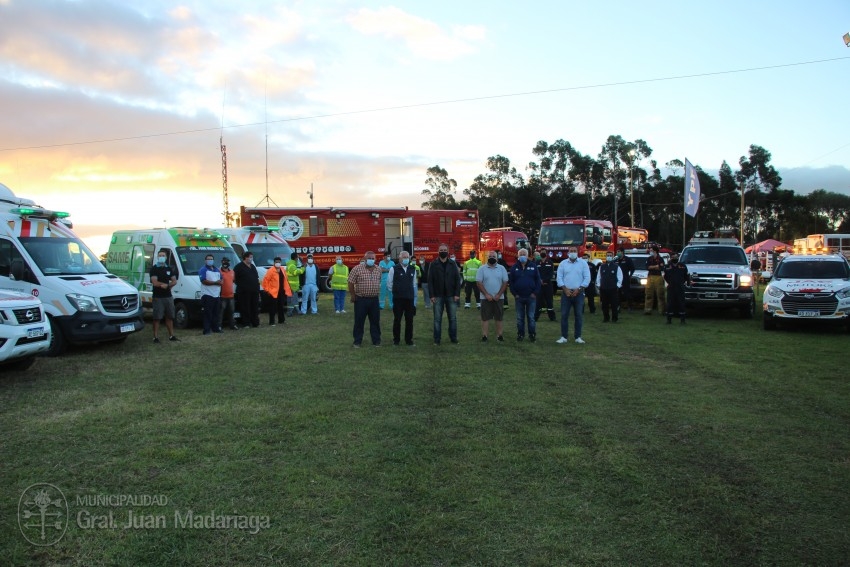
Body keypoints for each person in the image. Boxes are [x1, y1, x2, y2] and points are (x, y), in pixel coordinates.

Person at [427, 243, 462, 345]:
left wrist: (457, 294)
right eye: (441, 250)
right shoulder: (433, 264)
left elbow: (457, 279)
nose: (443, 252)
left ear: (448, 251)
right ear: (438, 251)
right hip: (438, 296)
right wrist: (432, 295)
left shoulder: (453, 264)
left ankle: (453, 338)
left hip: (451, 295)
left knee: (453, 318)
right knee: (437, 319)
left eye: (444, 250)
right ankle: (437, 339)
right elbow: (430, 281)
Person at [555, 246, 591, 344]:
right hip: (566, 293)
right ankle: (564, 337)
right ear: (568, 252)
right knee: (564, 315)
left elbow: (587, 278)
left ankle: (578, 337)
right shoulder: (563, 264)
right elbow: (559, 277)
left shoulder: (583, 263)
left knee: (578, 315)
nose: (573, 253)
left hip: (579, 293)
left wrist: (579, 289)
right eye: (571, 251)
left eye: (574, 251)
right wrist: (565, 289)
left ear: (578, 252)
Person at [348, 250, 383, 347]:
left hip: (374, 300)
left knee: (375, 321)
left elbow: (379, 281)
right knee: (359, 321)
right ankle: (357, 341)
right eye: (369, 258)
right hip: (361, 299)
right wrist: (353, 295)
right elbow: (350, 282)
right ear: (364, 259)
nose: (371, 260)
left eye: (373, 258)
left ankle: (376, 341)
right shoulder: (357, 269)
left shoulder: (378, 269)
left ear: (375, 259)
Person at [476, 250, 509, 342]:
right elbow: (479, 283)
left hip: (499, 298)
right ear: (487, 257)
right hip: (485, 298)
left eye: (494, 256)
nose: (492, 258)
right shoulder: (482, 268)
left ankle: (499, 336)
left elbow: (505, 282)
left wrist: (499, 294)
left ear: (497, 258)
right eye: (490, 256)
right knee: (485, 318)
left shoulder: (502, 268)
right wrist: (486, 294)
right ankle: (485, 336)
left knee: (499, 317)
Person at [509, 248, 542, 342]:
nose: (523, 255)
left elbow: (538, 281)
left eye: (524, 254)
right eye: (521, 254)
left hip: (531, 297)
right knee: (520, 318)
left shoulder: (533, 266)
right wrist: (515, 294)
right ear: (518, 256)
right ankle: (520, 334)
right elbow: (511, 282)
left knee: (531, 317)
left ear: (527, 256)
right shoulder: (514, 267)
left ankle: (532, 335)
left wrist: (535, 293)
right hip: (519, 297)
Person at [150, 250, 179, 343]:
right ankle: (155, 337)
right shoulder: (154, 268)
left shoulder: (169, 268)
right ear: (157, 257)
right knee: (157, 317)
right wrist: (164, 284)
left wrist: (168, 286)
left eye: (163, 255)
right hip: (158, 297)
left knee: (170, 316)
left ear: (166, 257)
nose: (161, 257)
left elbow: (174, 281)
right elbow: (154, 282)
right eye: (160, 255)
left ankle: (171, 335)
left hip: (168, 296)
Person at [389, 250, 417, 346]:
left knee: (409, 320)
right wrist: (397, 292)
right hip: (398, 299)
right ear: (399, 258)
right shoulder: (394, 269)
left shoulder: (412, 269)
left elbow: (413, 284)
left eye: (407, 257)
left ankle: (408, 340)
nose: (406, 259)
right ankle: (396, 340)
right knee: (397, 319)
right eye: (404, 257)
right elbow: (390, 284)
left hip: (409, 299)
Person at [262, 256, 291, 326]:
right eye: (276, 262)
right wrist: (268, 290)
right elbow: (265, 281)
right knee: (273, 308)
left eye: (279, 262)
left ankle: (281, 320)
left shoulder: (282, 269)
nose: (278, 263)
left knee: (281, 306)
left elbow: (285, 280)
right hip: (273, 292)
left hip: (281, 291)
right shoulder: (271, 270)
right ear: (274, 263)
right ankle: (272, 322)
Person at [234, 251, 260, 328]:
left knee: (254, 307)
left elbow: (256, 277)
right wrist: (242, 285)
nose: (251, 259)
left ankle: (255, 322)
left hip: (254, 291)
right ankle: (246, 323)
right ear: (246, 257)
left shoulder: (252, 266)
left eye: (252, 257)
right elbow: (234, 278)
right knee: (245, 307)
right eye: (250, 257)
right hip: (244, 292)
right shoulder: (239, 267)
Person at [198, 253, 222, 335]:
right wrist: (215, 282)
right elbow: (203, 281)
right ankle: (206, 330)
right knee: (208, 313)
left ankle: (215, 328)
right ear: (205, 260)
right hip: (207, 295)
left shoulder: (216, 269)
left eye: (211, 259)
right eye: (208, 259)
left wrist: (220, 282)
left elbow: (221, 279)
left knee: (216, 313)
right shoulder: (203, 269)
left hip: (216, 295)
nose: (210, 260)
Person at [596, 252, 622, 323]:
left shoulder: (616, 267)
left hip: (613, 289)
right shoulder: (602, 266)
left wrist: (618, 286)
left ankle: (614, 318)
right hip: (603, 289)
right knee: (604, 305)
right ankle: (606, 318)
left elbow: (620, 277)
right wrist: (599, 285)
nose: (609, 257)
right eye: (608, 256)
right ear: (606, 257)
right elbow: (599, 277)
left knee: (614, 305)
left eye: (610, 256)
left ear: (612, 257)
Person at [664, 253, 689, 324]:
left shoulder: (683, 266)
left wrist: (681, 283)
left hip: (680, 287)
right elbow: (665, 277)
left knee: (681, 303)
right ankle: (669, 319)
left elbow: (686, 276)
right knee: (670, 303)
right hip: (671, 287)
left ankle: (682, 320)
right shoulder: (668, 266)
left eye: (676, 257)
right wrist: (670, 282)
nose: (675, 258)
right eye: (673, 257)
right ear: (671, 258)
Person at [644, 245, 667, 315]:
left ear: (655, 251)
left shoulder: (660, 259)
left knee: (660, 294)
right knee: (648, 294)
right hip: (650, 277)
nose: (650, 252)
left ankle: (662, 311)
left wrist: (653, 267)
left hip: (658, 277)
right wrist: (656, 266)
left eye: (651, 250)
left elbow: (661, 268)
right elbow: (647, 267)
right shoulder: (649, 259)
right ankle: (648, 310)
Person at [218, 257, 239, 331]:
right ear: (222, 262)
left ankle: (232, 325)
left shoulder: (232, 272)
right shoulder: (218, 272)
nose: (225, 263)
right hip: (222, 296)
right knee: (221, 312)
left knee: (231, 311)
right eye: (224, 262)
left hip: (231, 296)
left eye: (227, 262)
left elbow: (234, 281)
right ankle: (219, 325)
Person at [535, 249, 556, 321]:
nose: (542, 253)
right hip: (539, 286)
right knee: (538, 302)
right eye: (541, 252)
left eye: (544, 252)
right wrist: (539, 280)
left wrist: (544, 280)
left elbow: (551, 274)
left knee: (549, 302)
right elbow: (536, 273)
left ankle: (552, 317)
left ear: (546, 254)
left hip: (548, 285)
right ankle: (535, 317)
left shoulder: (550, 262)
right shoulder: (537, 263)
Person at [286, 252, 304, 316]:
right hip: (292, 286)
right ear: (296, 258)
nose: (298, 258)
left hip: (293, 285)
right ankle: (290, 312)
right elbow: (295, 272)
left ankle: (296, 310)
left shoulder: (292, 264)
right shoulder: (292, 265)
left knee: (294, 298)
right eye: (298, 257)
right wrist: (302, 269)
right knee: (291, 299)